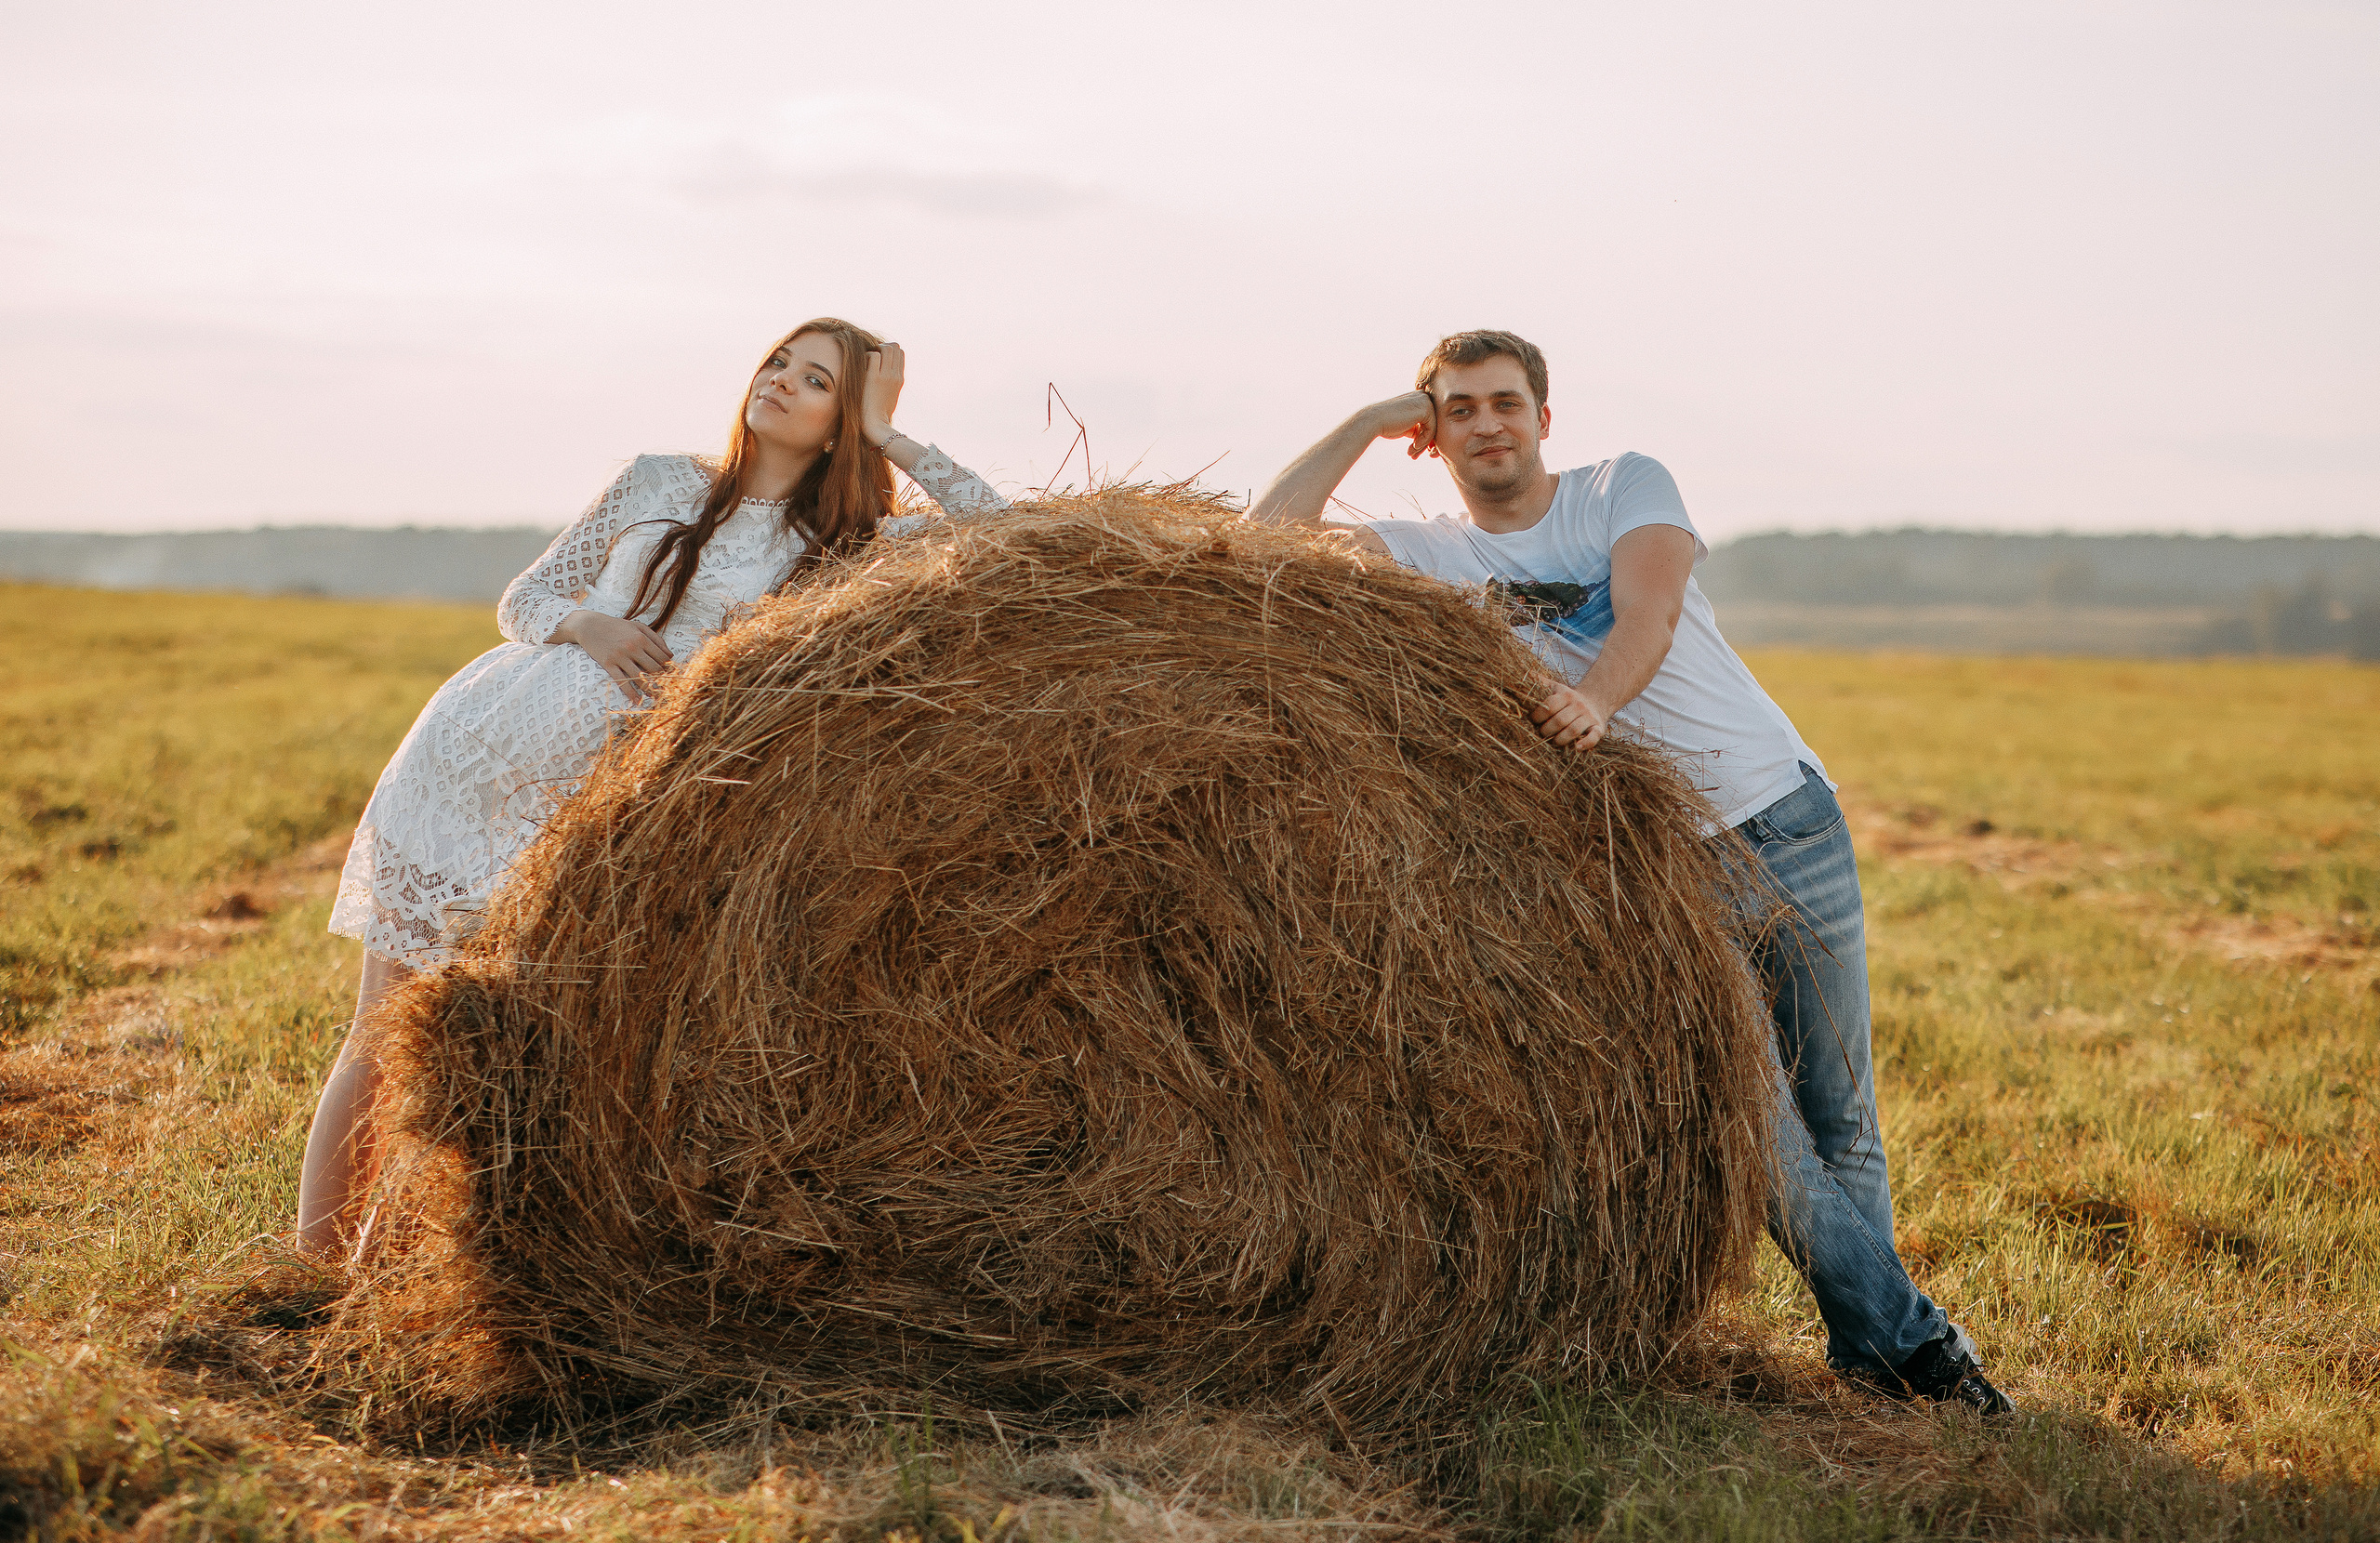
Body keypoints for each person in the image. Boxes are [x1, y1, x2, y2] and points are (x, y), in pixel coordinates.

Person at [1248, 329, 2013, 1416]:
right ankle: (1920, 1350)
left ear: (1543, 419)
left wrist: (1596, 702)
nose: (1485, 424)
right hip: (1654, 865)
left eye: (1504, 402)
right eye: (1456, 407)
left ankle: (1869, 1353)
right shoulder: (1424, 554)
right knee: (1754, 1125)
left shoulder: (1622, 485)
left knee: (1840, 1116)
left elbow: (1647, 612)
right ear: (1433, 432)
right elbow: (1265, 540)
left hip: (1781, 817)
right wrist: (1365, 422)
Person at [298, 318, 1009, 1258]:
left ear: (846, 421)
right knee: (386, 1023)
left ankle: (415, 1261)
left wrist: (892, 438)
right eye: (778, 363)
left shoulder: (850, 540)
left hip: (599, 813)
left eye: (818, 382)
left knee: (500, 1046)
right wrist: (590, 627)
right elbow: (524, 600)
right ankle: (315, 1263)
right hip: (474, 756)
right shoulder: (659, 478)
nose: (783, 383)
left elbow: (1006, 536)